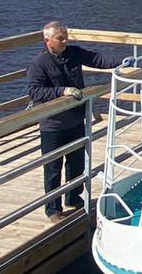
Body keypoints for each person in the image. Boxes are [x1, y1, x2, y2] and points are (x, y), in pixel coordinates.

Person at [27, 21, 126, 222]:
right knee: (53, 167)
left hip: (75, 119)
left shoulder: (72, 53)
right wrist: (61, 91)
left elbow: (96, 59)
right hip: (53, 124)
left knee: (76, 162)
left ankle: (74, 197)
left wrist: (122, 61)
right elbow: (35, 91)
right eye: (60, 38)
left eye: (66, 37)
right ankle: (53, 209)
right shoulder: (39, 63)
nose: (65, 41)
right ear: (47, 41)